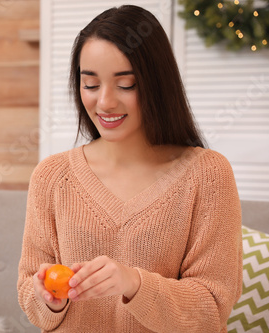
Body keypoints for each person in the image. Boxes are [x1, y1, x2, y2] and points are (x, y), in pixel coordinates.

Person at [17, 5, 242, 333]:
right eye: (91, 85)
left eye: (126, 85)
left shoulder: (208, 175)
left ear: (156, 85)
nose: (105, 102)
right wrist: (49, 299)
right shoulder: (51, 176)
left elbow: (212, 308)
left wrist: (133, 283)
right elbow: (29, 290)